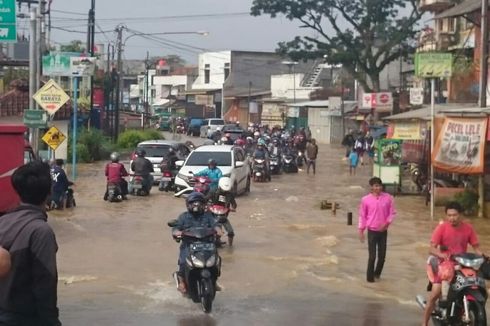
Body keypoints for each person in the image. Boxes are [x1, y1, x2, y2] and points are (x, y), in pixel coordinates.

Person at [0, 161, 62, 325]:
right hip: (22, 317)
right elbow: (45, 285)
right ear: (49, 192)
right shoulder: (41, 232)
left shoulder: (3, 221)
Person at [422, 201, 483, 326]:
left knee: (475, 281)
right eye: (449, 215)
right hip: (444, 264)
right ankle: (424, 323)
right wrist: (441, 255)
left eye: (454, 215)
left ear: (460, 215)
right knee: (435, 294)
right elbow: (431, 248)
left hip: (462, 263)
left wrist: (484, 257)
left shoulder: (468, 228)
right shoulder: (442, 228)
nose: (452, 218)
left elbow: (476, 248)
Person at [172, 192, 222, 293]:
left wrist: (218, 230)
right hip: (189, 245)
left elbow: (215, 224)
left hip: (207, 245)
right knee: (183, 261)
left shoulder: (208, 216)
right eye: (193, 203)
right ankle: (181, 280)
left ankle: (214, 280)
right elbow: (176, 228)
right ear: (188, 204)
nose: (196, 206)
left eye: (199, 203)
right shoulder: (183, 217)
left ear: (203, 205)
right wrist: (177, 232)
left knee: (217, 260)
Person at [358, 177, 396, 283]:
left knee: (382, 256)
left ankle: (377, 274)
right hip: (372, 231)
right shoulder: (365, 200)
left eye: (379, 185)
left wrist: (387, 223)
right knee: (372, 256)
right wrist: (361, 230)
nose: (378, 188)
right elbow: (362, 216)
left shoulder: (388, 198)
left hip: (383, 231)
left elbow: (392, 213)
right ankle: (369, 280)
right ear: (371, 187)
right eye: (375, 186)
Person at [211, 177, 237, 246]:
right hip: (214, 215)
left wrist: (233, 207)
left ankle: (230, 247)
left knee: (231, 232)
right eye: (223, 191)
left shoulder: (230, 194)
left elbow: (234, 204)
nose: (225, 192)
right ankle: (215, 243)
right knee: (217, 232)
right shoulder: (213, 192)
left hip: (224, 216)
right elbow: (205, 200)